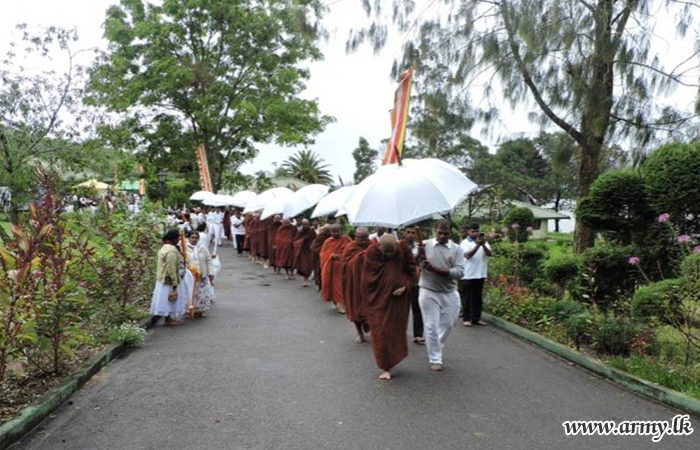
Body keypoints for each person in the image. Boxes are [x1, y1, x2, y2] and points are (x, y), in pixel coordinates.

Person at [362, 235, 418, 380]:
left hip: (398, 300)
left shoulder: (403, 249)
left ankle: (392, 361)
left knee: (395, 331)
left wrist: (405, 287)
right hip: (378, 300)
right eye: (385, 252)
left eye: (391, 252)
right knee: (381, 331)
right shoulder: (372, 253)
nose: (388, 255)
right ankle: (386, 366)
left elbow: (412, 272)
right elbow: (368, 278)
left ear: (396, 247)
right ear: (379, 246)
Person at [417, 220, 465, 371]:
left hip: (449, 292)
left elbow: (459, 272)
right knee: (431, 326)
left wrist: (436, 269)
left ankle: (435, 344)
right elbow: (412, 264)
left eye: (446, 233)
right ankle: (435, 358)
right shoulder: (423, 245)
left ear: (451, 233)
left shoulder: (457, 249)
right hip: (428, 290)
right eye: (439, 232)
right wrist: (418, 254)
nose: (442, 236)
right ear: (434, 230)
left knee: (449, 324)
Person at [150, 229, 188, 326]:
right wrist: (174, 283)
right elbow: (171, 268)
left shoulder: (164, 247)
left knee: (165, 300)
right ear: (174, 238)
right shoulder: (171, 250)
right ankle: (168, 319)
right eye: (178, 238)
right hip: (169, 280)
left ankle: (167, 318)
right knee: (169, 300)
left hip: (162, 279)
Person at [341, 227, 372, 342]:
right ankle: (359, 333)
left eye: (365, 238)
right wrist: (359, 258)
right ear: (355, 237)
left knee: (372, 308)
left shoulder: (373, 245)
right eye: (360, 239)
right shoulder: (350, 247)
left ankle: (369, 325)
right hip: (354, 284)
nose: (363, 241)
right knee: (355, 308)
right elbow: (344, 265)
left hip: (370, 283)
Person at [459, 223, 492, 327]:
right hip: (468, 274)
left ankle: (476, 319)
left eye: (477, 231)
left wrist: (482, 245)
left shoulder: (484, 242)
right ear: (468, 232)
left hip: (480, 273)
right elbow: (468, 255)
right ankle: (467, 319)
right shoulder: (464, 243)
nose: (476, 233)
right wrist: (478, 245)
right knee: (467, 298)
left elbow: (489, 254)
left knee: (477, 298)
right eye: (473, 231)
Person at [319, 223, 352, 312]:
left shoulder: (346, 239)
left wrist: (340, 256)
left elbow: (351, 252)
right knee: (333, 285)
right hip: (331, 268)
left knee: (341, 286)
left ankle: (342, 304)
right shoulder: (328, 241)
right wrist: (331, 256)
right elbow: (323, 254)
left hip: (343, 267)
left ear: (342, 231)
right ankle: (337, 303)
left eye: (337, 231)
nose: (335, 233)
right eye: (333, 231)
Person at [401, 226, 425, 345]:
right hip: (402, 281)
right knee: (401, 309)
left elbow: (422, 262)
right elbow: (405, 263)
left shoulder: (419, 245)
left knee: (417, 308)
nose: (410, 235)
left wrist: (422, 254)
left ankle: (418, 334)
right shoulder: (398, 246)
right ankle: (399, 333)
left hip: (416, 281)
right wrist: (417, 256)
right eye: (408, 232)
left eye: (413, 233)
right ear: (403, 233)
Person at [186, 231, 216, 317]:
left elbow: (209, 260)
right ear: (189, 238)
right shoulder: (185, 248)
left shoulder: (202, 248)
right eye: (192, 237)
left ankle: (200, 310)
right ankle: (190, 311)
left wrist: (210, 273)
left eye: (196, 238)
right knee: (190, 294)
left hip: (201, 275)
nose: (194, 239)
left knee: (201, 294)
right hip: (190, 276)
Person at [293, 219, 317, 287]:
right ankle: (305, 280)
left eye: (307, 225)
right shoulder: (300, 232)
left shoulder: (312, 232)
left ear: (309, 224)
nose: (306, 226)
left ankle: (308, 279)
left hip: (310, 250)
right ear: (302, 225)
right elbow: (295, 241)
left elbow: (315, 239)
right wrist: (301, 241)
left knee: (310, 265)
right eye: (304, 225)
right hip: (302, 251)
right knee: (304, 266)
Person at [310, 225, 331, 291]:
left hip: (329, 258)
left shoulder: (332, 238)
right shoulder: (320, 237)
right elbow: (314, 247)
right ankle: (321, 286)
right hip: (320, 258)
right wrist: (324, 251)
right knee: (320, 271)